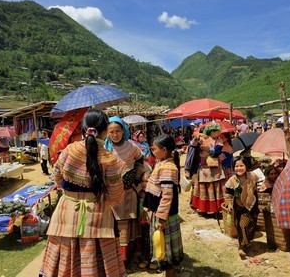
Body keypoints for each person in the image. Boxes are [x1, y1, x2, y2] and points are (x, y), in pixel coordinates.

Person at [40, 109, 126, 277]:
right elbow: (115, 195)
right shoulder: (109, 158)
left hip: (65, 216)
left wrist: (71, 195)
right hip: (98, 218)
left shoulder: (69, 150)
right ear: (105, 130)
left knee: (64, 264)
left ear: (83, 128)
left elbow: (57, 177)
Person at [143, 134, 183, 276]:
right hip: (159, 212)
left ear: (164, 150)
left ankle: (170, 274)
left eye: (154, 149)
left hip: (164, 216)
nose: (152, 151)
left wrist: (161, 218)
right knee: (164, 247)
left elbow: (167, 195)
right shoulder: (161, 163)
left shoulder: (168, 168)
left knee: (166, 249)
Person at [105, 116, 143, 267]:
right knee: (113, 223)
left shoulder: (132, 147)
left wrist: (137, 179)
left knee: (129, 223)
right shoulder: (104, 149)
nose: (115, 134)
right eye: (111, 131)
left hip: (128, 193)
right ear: (107, 133)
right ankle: (113, 256)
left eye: (118, 131)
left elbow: (140, 161)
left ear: (123, 130)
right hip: (110, 195)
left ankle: (127, 256)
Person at [185, 123, 227, 214]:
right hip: (204, 167)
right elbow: (192, 146)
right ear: (212, 131)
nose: (219, 133)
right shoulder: (201, 138)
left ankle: (216, 208)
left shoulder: (219, 140)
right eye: (218, 131)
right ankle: (204, 208)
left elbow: (217, 151)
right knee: (204, 187)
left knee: (216, 186)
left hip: (216, 166)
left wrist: (208, 149)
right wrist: (196, 139)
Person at [225, 156, 259, 257]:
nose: (239, 168)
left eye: (241, 166)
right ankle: (241, 246)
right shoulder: (232, 180)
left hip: (252, 205)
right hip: (240, 206)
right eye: (236, 166)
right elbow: (229, 194)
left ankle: (247, 241)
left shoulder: (252, 176)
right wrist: (230, 204)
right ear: (233, 167)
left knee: (251, 225)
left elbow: (256, 187)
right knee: (241, 225)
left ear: (246, 166)